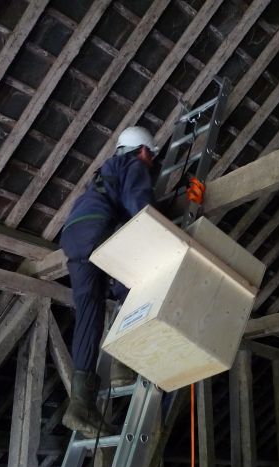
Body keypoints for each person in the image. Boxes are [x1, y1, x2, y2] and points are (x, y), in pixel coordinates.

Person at [60, 126, 158, 438]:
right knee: (135, 284)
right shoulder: (133, 164)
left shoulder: (98, 178)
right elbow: (138, 204)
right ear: (144, 151)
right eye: (151, 157)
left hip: (73, 236)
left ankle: (79, 406)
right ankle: (122, 365)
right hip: (99, 230)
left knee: (88, 313)